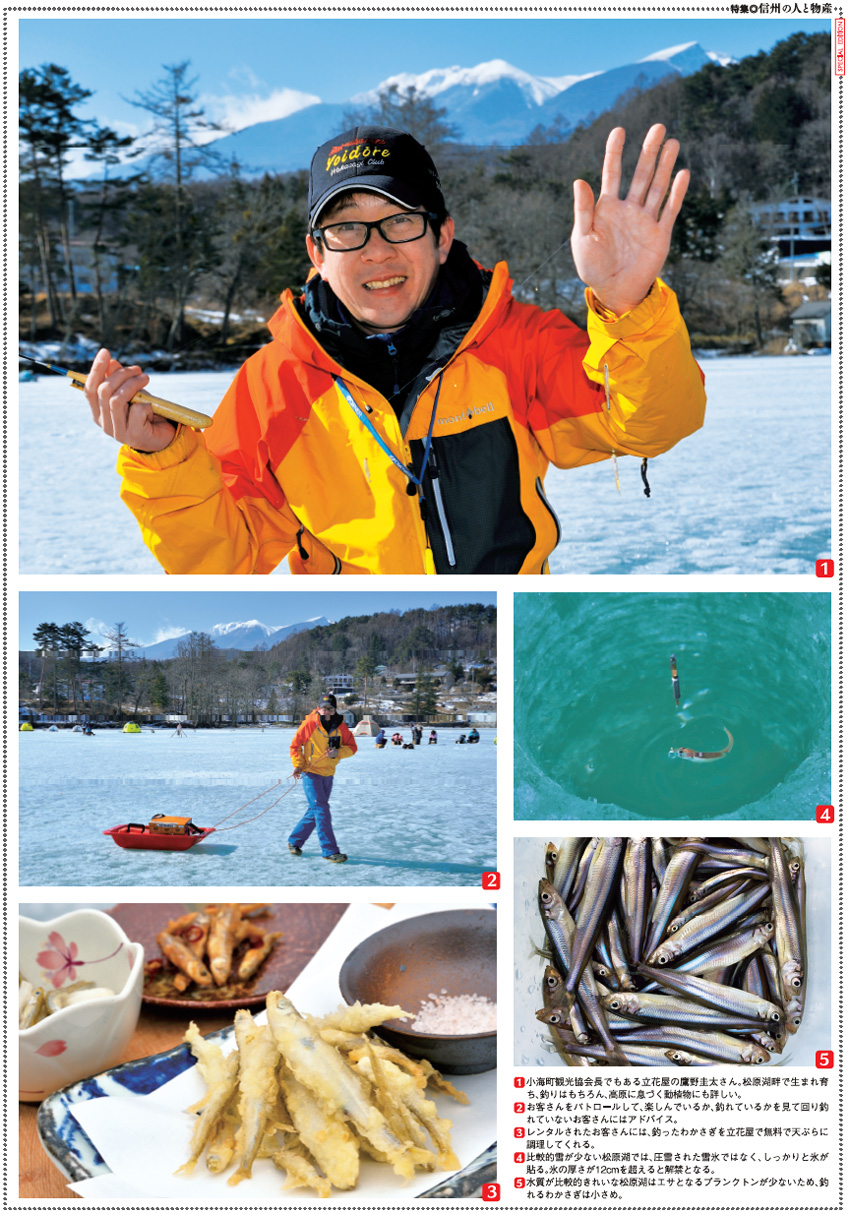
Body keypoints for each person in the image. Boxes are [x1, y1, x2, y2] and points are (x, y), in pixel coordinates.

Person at [85, 123, 705, 575]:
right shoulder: (273, 385)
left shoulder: (516, 341)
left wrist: (630, 307)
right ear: (317, 255)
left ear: (442, 237)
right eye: (347, 229)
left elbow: (649, 426)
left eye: (401, 220)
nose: (377, 250)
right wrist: (162, 458)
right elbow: (224, 562)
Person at [288, 694, 357, 862]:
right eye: (324, 707)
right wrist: (298, 764)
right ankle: (329, 850)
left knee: (316, 810)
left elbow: (352, 747)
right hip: (310, 773)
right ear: (318, 708)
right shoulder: (310, 724)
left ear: (334, 709)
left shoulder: (341, 726)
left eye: (330, 708)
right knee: (322, 810)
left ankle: (294, 841)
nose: (326, 711)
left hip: (328, 774)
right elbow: (295, 746)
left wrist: (337, 753)